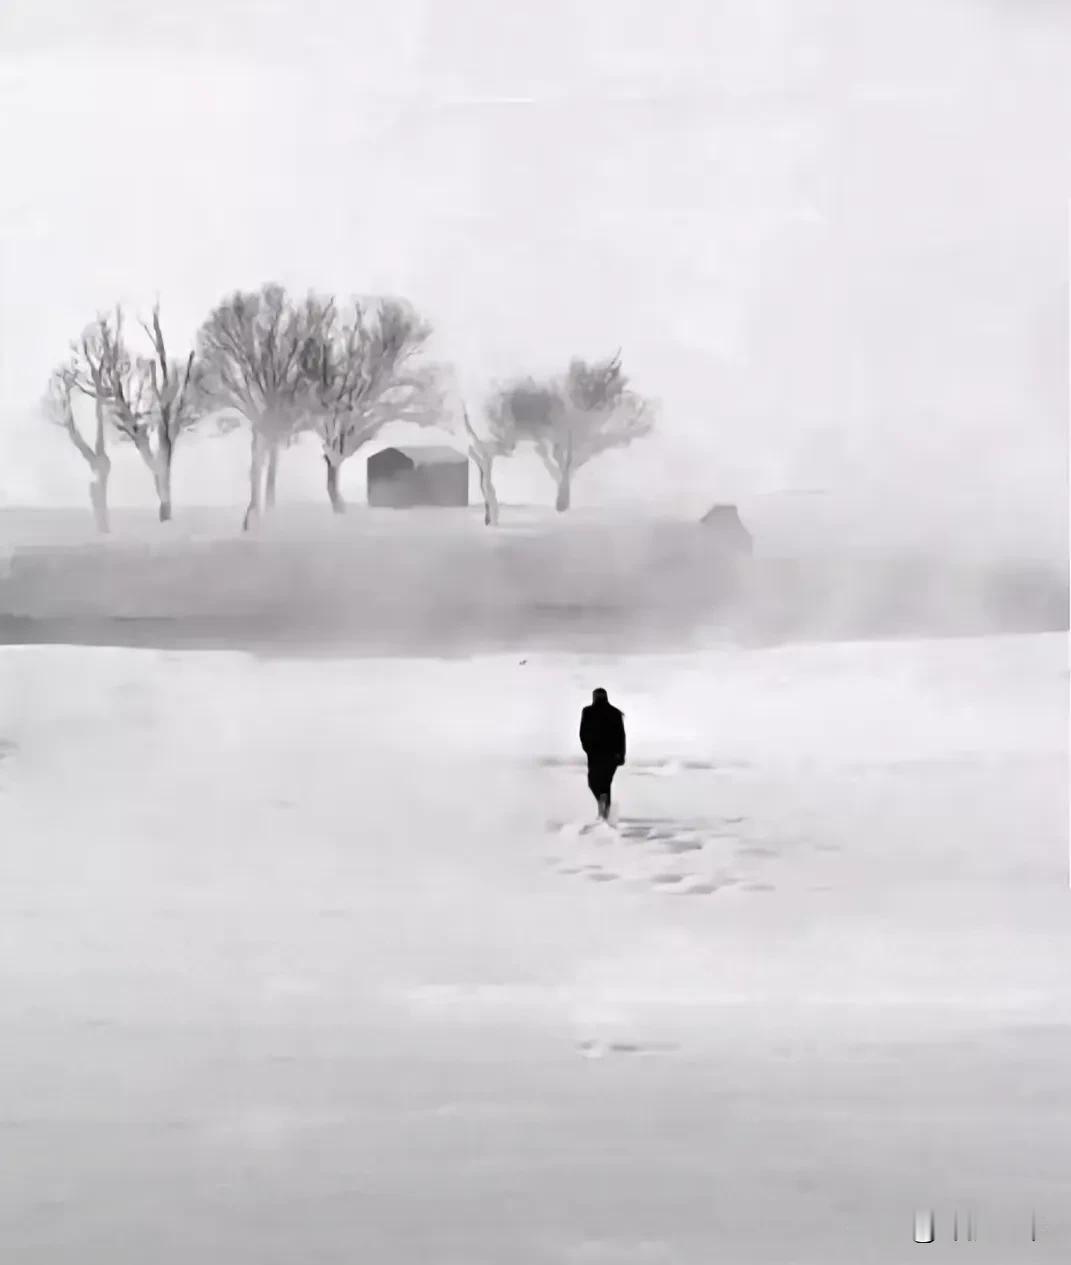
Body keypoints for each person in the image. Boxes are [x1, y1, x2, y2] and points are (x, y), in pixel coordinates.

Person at [579, 687, 626, 820]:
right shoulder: (615, 713)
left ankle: (603, 810)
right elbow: (621, 736)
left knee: (594, 782)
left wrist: (587, 748)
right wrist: (621, 754)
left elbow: (583, 733)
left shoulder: (588, 711)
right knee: (605, 783)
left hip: (596, 754)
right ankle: (605, 811)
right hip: (611, 755)